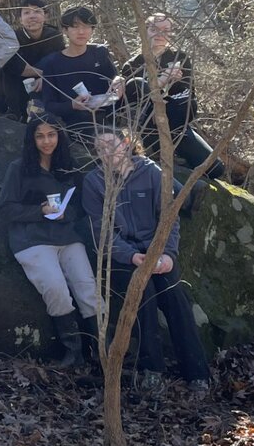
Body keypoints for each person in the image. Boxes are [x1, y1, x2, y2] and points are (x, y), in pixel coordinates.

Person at [82, 128, 211, 394]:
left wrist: (167, 256)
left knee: (175, 297)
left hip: (156, 254)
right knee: (144, 293)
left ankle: (198, 374)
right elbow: (101, 232)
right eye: (100, 149)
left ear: (126, 143)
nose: (106, 153)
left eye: (111, 145)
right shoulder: (94, 182)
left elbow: (170, 220)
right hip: (121, 257)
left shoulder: (152, 173)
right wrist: (130, 256)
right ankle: (151, 370)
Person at [0, 114, 99, 366]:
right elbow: (6, 209)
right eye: (40, 136)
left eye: (51, 135)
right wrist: (39, 211)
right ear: (31, 139)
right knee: (56, 289)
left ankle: (102, 352)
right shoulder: (19, 168)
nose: (46, 141)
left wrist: (67, 213)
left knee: (89, 291)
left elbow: (81, 209)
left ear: (59, 136)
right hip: (31, 240)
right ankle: (73, 353)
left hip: (67, 236)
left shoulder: (69, 168)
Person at [119, 13, 224, 179]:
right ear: (144, 31)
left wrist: (171, 88)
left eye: (166, 30)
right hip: (148, 128)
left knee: (216, 169)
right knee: (138, 83)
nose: (160, 34)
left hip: (176, 125)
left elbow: (188, 98)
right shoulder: (133, 65)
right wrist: (161, 81)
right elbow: (132, 103)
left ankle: (179, 155)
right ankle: (160, 151)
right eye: (154, 29)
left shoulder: (180, 58)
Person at [38, 6, 124, 137]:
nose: (81, 32)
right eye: (75, 26)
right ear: (65, 30)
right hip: (75, 121)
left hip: (106, 113)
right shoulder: (52, 63)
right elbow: (49, 105)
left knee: (136, 84)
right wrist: (73, 105)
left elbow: (114, 79)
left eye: (87, 26)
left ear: (92, 30)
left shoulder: (100, 52)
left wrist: (119, 80)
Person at [0, 0, 65, 122]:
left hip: (41, 84)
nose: (32, 16)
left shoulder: (54, 36)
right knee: (6, 69)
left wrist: (47, 77)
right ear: (20, 19)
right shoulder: (12, 37)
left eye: (37, 12)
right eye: (26, 13)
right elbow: (16, 68)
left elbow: (59, 62)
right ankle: (14, 112)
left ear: (45, 16)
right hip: (14, 85)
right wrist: (47, 75)